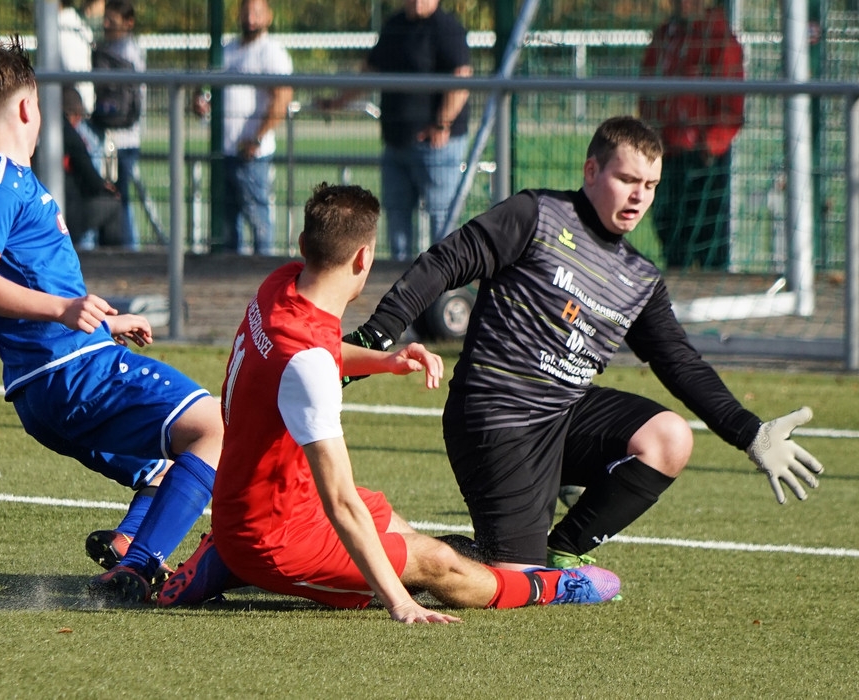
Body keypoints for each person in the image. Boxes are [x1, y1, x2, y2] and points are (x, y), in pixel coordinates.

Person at [340, 116, 823, 574]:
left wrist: (751, 433)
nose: (639, 195)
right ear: (592, 171)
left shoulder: (640, 278)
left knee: (670, 438)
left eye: (650, 185)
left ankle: (564, 549)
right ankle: (378, 554)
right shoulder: (537, 215)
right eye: (627, 179)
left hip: (565, 414)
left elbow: (680, 362)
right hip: (497, 415)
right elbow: (445, 262)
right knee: (513, 579)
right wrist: (375, 337)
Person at [157, 182, 621, 620]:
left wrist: (386, 360)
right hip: (274, 539)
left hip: (277, 499)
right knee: (437, 562)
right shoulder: (309, 363)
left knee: (394, 525)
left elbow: (312, 352)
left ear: (303, 244)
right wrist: (400, 602)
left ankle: (224, 559)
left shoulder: (280, 287)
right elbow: (340, 502)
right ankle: (550, 586)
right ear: (364, 257)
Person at [0, 38, 224, 603]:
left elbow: (33, 275)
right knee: (215, 427)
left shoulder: (5, 177)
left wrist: (101, 321)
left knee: (165, 463)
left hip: (57, 376)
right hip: (71, 373)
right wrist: (65, 310)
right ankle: (139, 570)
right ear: (27, 107)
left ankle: (129, 544)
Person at [319, 0, 472, 262]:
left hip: (435, 146)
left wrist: (441, 123)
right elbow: (370, 72)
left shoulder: (447, 28)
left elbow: (461, 76)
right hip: (396, 142)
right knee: (396, 218)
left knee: (442, 220)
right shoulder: (394, 26)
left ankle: (446, 280)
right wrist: (338, 101)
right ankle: (400, 275)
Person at [639, 0, 745, 270]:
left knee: (706, 236)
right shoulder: (666, 37)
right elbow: (647, 89)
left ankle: (709, 285)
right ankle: (678, 282)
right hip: (666, 151)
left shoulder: (717, 37)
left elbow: (731, 102)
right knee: (669, 226)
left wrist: (712, 143)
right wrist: (651, 135)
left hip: (702, 156)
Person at [192, 0, 292, 256]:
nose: (250, 19)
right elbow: (206, 89)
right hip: (223, 153)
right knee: (226, 228)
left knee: (259, 224)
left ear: (268, 16)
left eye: (256, 13)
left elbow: (281, 98)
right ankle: (228, 273)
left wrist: (256, 138)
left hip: (252, 156)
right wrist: (201, 103)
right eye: (246, 12)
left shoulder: (271, 52)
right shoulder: (227, 50)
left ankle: (263, 272)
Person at [95, 0, 144, 250]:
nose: (106, 25)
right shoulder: (107, 49)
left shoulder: (129, 52)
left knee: (121, 199)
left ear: (128, 23)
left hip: (124, 140)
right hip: (110, 138)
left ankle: (129, 249)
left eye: (112, 21)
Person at [61, 86, 123, 249]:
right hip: (67, 213)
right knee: (113, 206)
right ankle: (110, 259)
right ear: (76, 114)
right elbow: (90, 177)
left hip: (38, 209)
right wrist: (106, 188)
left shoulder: (40, 128)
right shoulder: (70, 134)